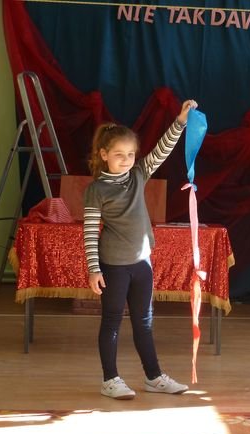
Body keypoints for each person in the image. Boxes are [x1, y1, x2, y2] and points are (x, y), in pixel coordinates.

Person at [83, 100, 198, 400]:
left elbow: (162, 149)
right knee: (111, 321)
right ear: (104, 155)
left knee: (144, 322)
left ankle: (154, 377)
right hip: (114, 266)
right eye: (118, 155)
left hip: (142, 264)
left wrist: (180, 121)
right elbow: (90, 232)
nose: (126, 160)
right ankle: (110, 380)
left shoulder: (138, 175)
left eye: (130, 154)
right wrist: (94, 269)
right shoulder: (96, 190)